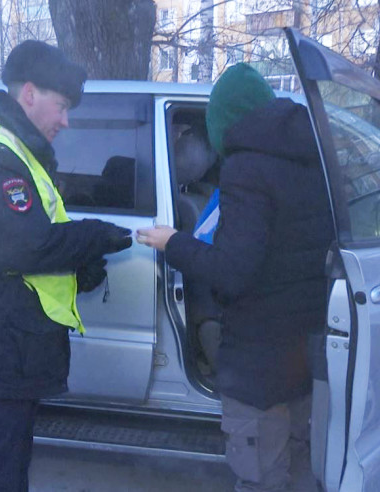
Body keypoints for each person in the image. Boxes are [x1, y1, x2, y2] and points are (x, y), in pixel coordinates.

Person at [0, 40, 132, 491]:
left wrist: (77, 267)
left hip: (8, 343)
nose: (66, 120)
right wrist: (92, 237)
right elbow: (25, 246)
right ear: (29, 93)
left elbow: (22, 245)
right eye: (61, 106)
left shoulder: (18, 152)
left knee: (7, 466)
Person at [137, 63, 334, 491]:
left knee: (261, 476)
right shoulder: (313, 160)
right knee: (301, 464)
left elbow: (231, 272)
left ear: (224, 124)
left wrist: (174, 243)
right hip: (302, 356)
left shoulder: (246, 170)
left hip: (257, 365)